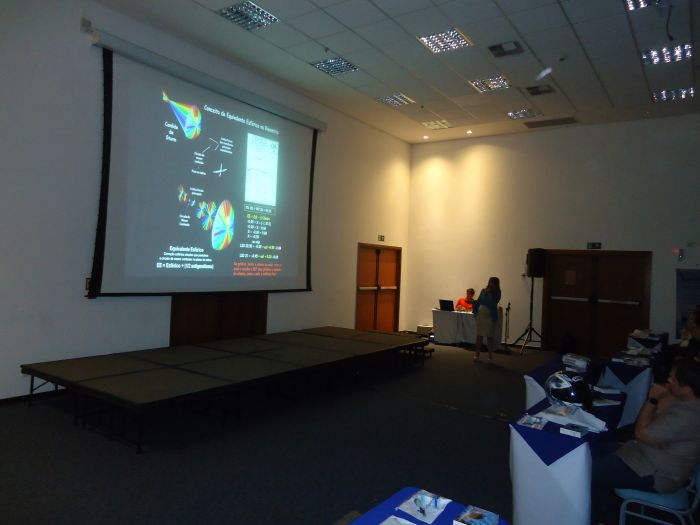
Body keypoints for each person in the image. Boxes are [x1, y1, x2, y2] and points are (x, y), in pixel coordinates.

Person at [591, 358, 700, 524]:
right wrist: (652, 436)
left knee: (593, 470)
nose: (668, 380)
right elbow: (653, 424)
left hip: (659, 475)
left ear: (687, 388)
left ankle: (607, 519)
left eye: (673, 379)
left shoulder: (688, 416)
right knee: (592, 448)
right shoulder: (688, 400)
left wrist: (652, 399)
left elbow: (640, 433)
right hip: (646, 454)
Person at [472, 277, 501, 362]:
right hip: (481, 315)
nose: (489, 283)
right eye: (489, 281)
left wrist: (488, 295)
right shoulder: (483, 290)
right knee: (479, 336)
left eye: (491, 282)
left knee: (489, 336)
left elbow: (493, 302)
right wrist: (473, 302)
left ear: (495, 283)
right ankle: (477, 355)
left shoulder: (497, 292)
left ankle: (490, 356)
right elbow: (479, 301)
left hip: (489, 316)